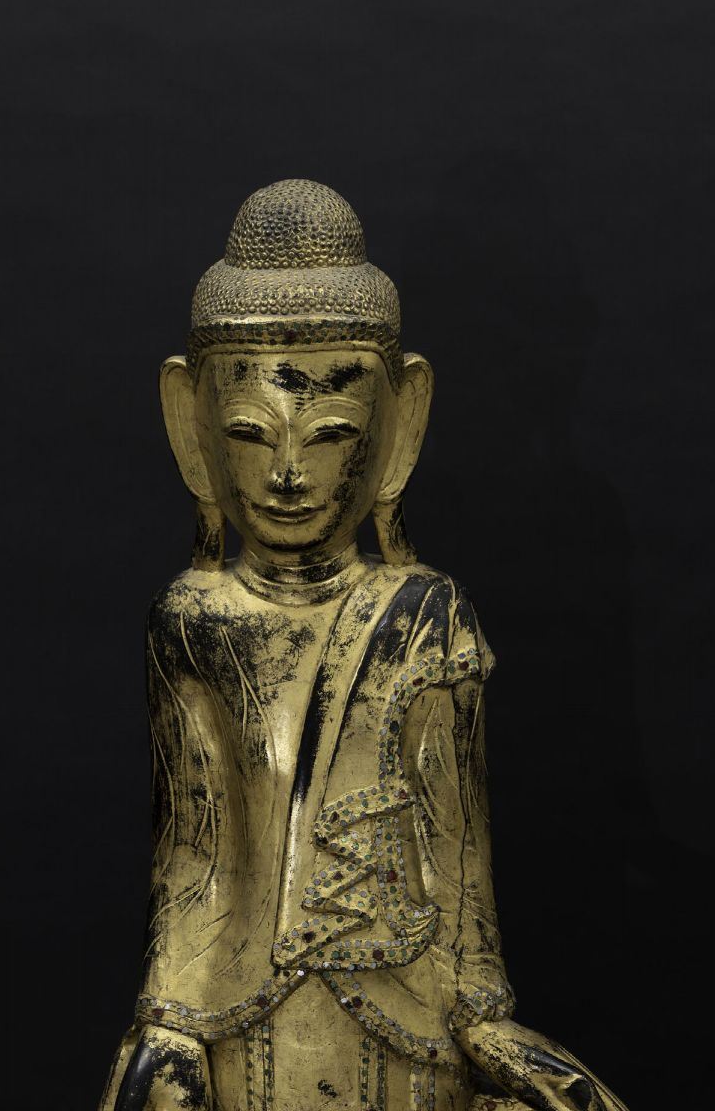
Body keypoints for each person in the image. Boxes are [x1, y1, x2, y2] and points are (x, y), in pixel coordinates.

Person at [99, 180, 628, 1111]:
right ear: (191, 427)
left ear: (400, 423)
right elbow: (194, 865)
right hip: (240, 1024)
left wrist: (487, 1019)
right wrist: (167, 1026)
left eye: (332, 434)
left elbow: (459, 863)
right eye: (249, 435)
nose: (288, 474)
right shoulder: (191, 620)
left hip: (409, 1020)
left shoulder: (426, 613)